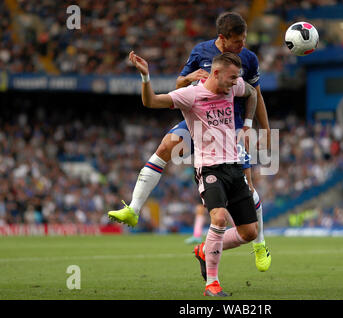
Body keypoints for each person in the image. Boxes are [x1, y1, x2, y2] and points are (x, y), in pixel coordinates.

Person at [108, 12, 271, 272]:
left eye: (244, 40)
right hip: (199, 118)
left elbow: (255, 95)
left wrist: (262, 129)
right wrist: (188, 78)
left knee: (247, 186)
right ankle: (134, 209)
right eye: (237, 42)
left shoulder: (249, 59)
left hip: (232, 126)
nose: (242, 46)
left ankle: (259, 243)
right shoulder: (201, 51)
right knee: (165, 146)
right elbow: (179, 83)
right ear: (222, 39)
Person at [128, 50, 259, 297]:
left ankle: (204, 250)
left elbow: (251, 93)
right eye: (231, 78)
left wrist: (248, 126)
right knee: (218, 218)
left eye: (236, 79)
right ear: (216, 73)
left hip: (234, 167)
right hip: (209, 169)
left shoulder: (234, 85)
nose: (234, 84)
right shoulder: (192, 95)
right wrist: (146, 77)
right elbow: (151, 102)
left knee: (249, 233)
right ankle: (212, 284)